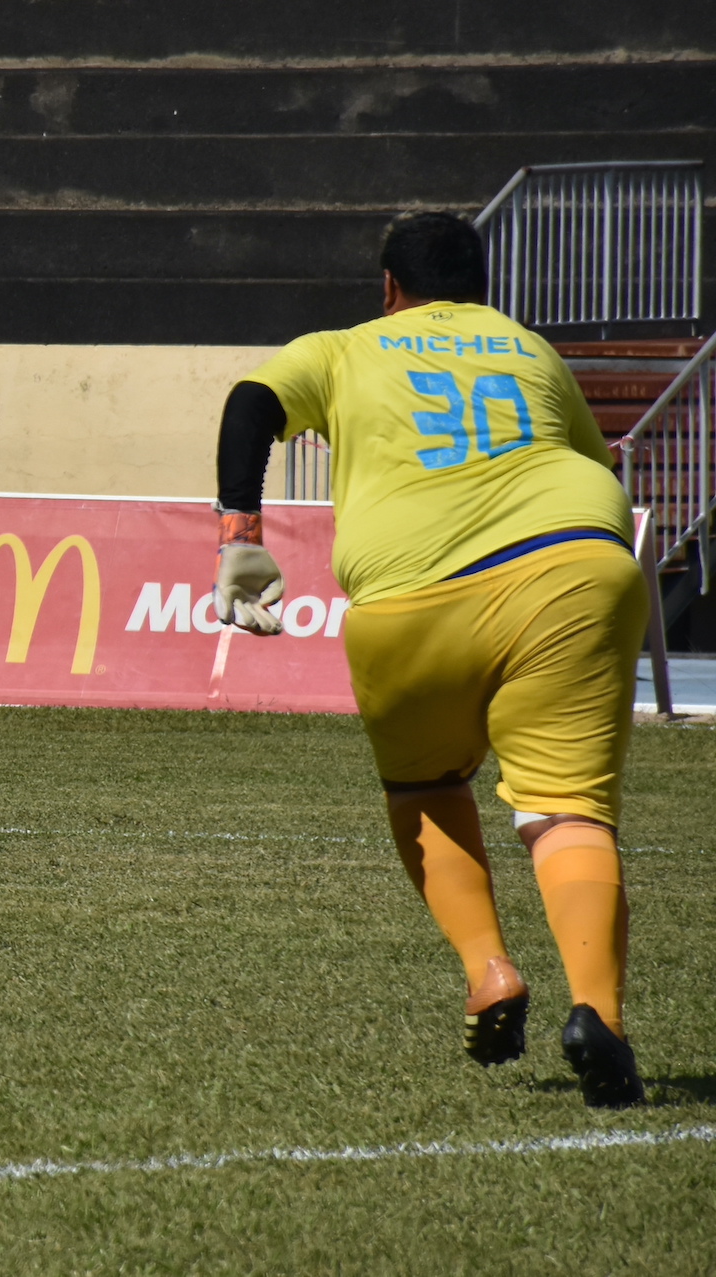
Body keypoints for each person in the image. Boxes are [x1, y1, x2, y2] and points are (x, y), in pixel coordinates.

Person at [212, 213, 646, 1107]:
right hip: (572, 568)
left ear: (387, 288)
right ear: (484, 288)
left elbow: (251, 403)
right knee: (565, 810)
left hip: (409, 598)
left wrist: (241, 533)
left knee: (425, 789)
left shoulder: (344, 348)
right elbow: (590, 460)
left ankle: (490, 972)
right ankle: (596, 1009)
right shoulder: (528, 347)